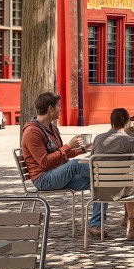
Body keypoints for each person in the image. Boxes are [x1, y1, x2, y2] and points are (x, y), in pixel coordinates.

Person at [20, 93, 100, 228]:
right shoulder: (32, 132)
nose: (60, 109)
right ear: (51, 109)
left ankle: (96, 224)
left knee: (98, 182)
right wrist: (68, 146)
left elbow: (61, 155)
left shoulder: (52, 128)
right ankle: (108, 173)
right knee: (76, 165)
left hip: (59, 174)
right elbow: (45, 162)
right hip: (43, 179)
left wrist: (83, 150)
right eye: (59, 106)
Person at [89, 108, 134, 238]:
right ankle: (132, 226)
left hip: (99, 189)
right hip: (124, 190)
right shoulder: (131, 141)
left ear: (111, 122)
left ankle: (97, 224)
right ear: (127, 122)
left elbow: (91, 160)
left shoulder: (98, 139)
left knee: (126, 176)